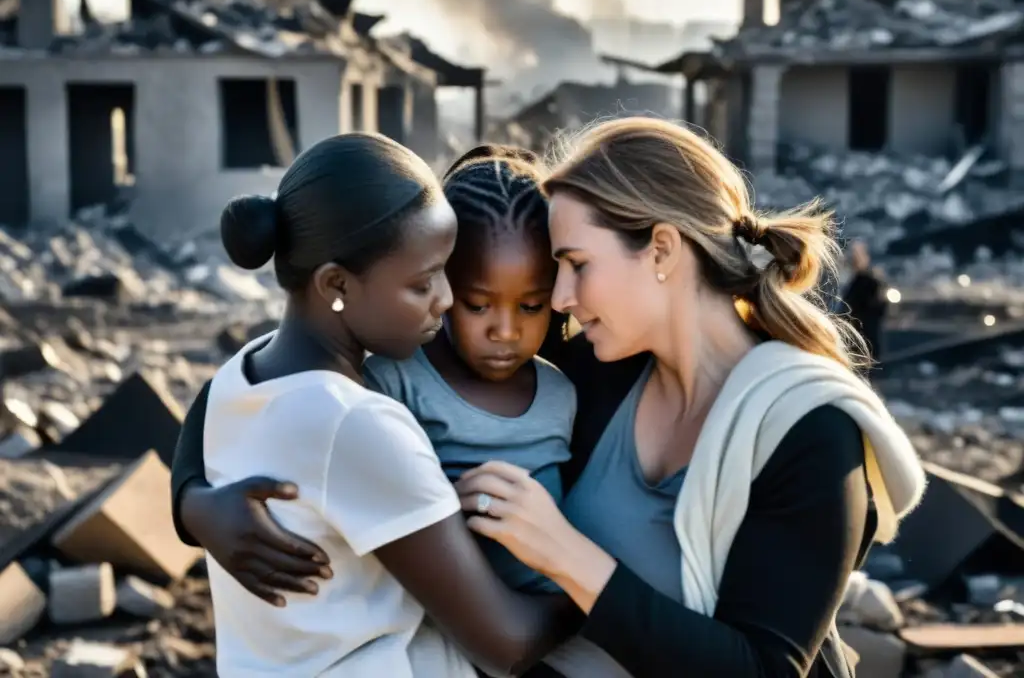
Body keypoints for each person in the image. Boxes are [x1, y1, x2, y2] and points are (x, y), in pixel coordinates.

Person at [171, 121, 927, 677]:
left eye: (575, 265)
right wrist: (195, 503)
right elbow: (293, 369)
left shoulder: (808, 434)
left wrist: (572, 560)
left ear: (660, 251)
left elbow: (763, 670)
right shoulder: (590, 361)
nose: (558, 301)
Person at [193, 133, 578, 677]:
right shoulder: (359, 424)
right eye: (423, 284)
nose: (444, 301)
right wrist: (601, 587)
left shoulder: (245, 373)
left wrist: (190, 501)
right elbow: (507, 643)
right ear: (336, 285)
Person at [365, 145, 575, 594]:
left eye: (531, 306)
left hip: (554, 623)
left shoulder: (563, 392)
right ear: (440, 286)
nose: (506, 330)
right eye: (478, 305)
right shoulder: (395, 381)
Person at [841, 240, 889, 369]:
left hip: (865, 339)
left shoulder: (870, 282)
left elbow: (879, 308)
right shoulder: (852, 281)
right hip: (854, 340)